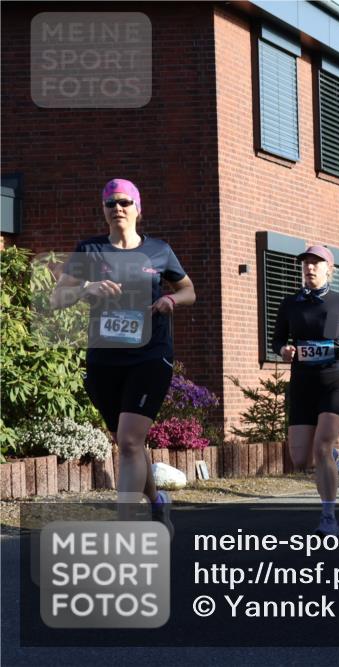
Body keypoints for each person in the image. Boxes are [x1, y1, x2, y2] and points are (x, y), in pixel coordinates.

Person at [52, 179, 196, 534]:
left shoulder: (159, 250)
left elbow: (188, 289)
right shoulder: (90, 250)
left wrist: (170, 300)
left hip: (150, 354)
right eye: (110, 203)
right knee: (128, 440)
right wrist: (87, 288)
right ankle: (157, 501)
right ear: (103, 210)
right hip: (104, 358)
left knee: (130, 440)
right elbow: (57, 298)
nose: (117, 208)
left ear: (137, 208)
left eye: (124, 202)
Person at [272, 244, 339, 536]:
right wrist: (284, 350)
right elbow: (276, 340)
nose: (310, 268)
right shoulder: (290, 304)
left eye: (316, 263)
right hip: (302, 384)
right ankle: (331, 459)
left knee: (321, 446)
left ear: (329, 269)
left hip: (335, 382)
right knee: (301, 458)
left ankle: (329, 517)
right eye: (306, 263)